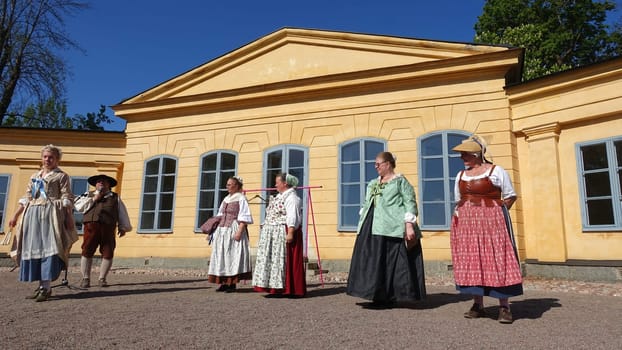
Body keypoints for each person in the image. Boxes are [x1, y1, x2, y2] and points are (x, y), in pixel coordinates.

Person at [450, 135, 522, 324]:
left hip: (492, 222)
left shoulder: (496, 171)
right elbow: (459, 200)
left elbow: (510, 196)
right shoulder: (460, 176)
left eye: (465, 153)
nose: (462, 157)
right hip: (467, 224)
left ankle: (504, 307)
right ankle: (478, 305)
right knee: (473, 260)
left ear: (476, 153)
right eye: (462, 154)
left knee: (498, 259)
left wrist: (496, 215)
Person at [346, 151, 426, 308]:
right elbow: (366, 203)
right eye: (375, 164)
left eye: (378, 164)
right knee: (373, 261)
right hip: (371, 226)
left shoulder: (400, 182)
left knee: (388, 262)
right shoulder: (373, 183)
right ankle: (375, 294)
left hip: (391, 227)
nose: (376, 167)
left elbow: (409, 202)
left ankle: (389, 296)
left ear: (388, 164)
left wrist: (409, 225)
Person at [8, 144, 79, 302]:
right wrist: (15, 215)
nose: (47, 159)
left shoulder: (61, 176)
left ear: (57, 159)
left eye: (51, 157)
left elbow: (67, 197)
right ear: (42, 158)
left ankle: (46, 288)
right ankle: (41, 287)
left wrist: (69, 217)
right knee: (35, 248)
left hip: (51, 214)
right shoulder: (35, 176)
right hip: (33, 214)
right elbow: (27, 197)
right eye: (45, 156)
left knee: (49, 249)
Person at [252, 173, 306, 297]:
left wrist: (290, 232)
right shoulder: (279, 196)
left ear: (285, 183)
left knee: (279, 260)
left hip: (282, 231)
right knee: (272, 261)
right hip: (273, 232)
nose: (275, 185)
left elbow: (293, 216)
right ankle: (274, 288)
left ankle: (284, 289)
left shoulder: (292, 198)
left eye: (277, 182)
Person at [74, 174, 132, 288]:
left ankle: (102, 278)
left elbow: (122, 213)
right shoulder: (87, 195)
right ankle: (85, 278)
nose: (101, 183)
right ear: (95, 184)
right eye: (99, 181)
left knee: (108, 252)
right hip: (91, 227)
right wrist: (94, 199)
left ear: (109, 185)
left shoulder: (115, 197)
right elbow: (79, 207)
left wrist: (123, 226)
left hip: (108, 228)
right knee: (87, 250)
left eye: (104, 182)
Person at [207, 176, 253, 292]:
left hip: (233, 229)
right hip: (222, 230)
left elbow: (244, 216)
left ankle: (232, 283)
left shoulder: (241, 198)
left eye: (229, 184)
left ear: (236, 186)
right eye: (227, 184)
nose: (227, 186)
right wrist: (212, 231)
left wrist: (239, 231)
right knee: (221, 256)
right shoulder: (226, 198)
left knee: (232, 256)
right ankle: (223, 282)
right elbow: (219, 215)